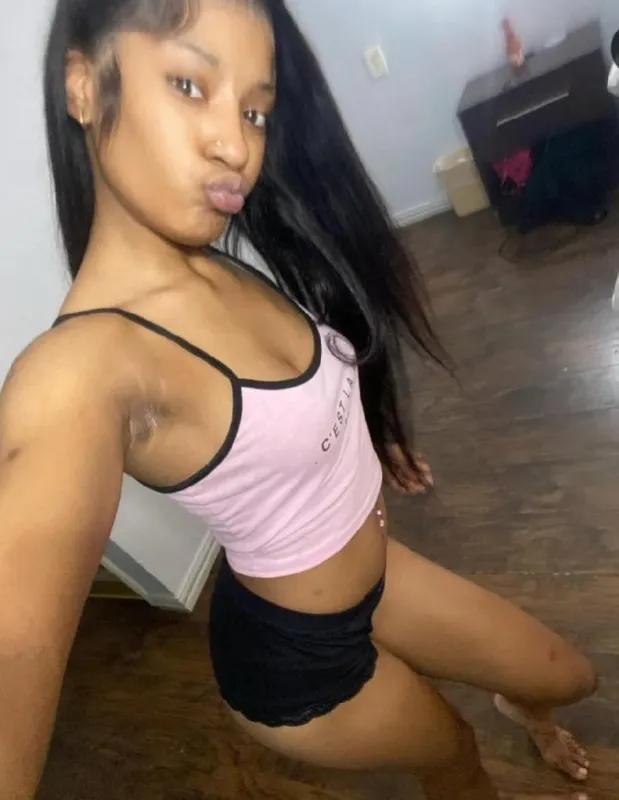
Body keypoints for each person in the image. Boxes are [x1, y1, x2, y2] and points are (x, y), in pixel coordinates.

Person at [0, 1, 596, 798]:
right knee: (453, 755)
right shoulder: (82, 369)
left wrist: (366, 444)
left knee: (567, 675)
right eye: (188, 84)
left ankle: (528, 712)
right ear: (82, 84)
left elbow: (305, 400)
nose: (236, 144)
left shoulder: (217, 259)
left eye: (254, 111)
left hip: (375, 568)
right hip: (298, 660)